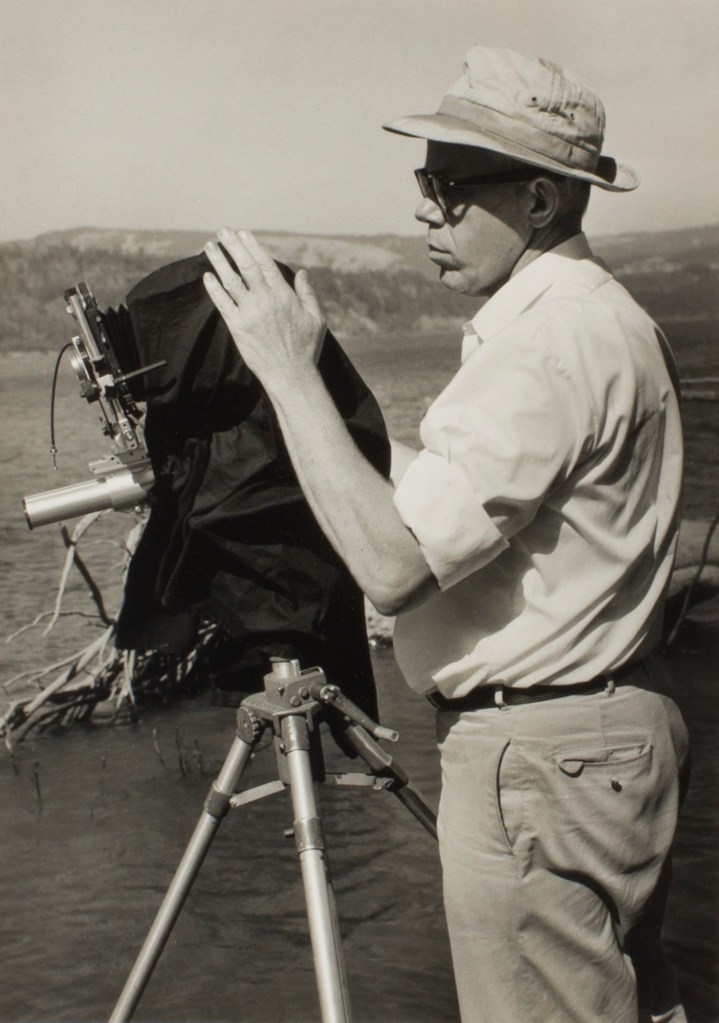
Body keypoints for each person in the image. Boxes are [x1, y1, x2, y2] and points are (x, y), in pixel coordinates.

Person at [202, 45, 689, 1023]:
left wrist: (288, 371)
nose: (424, 208)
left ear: (543, 201)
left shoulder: (541, 345)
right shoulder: (601, 318)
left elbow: (390, 567)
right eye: (423, 181)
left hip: (535, 756)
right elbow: (482, 519)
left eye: (452, 187)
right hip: (610, 739)